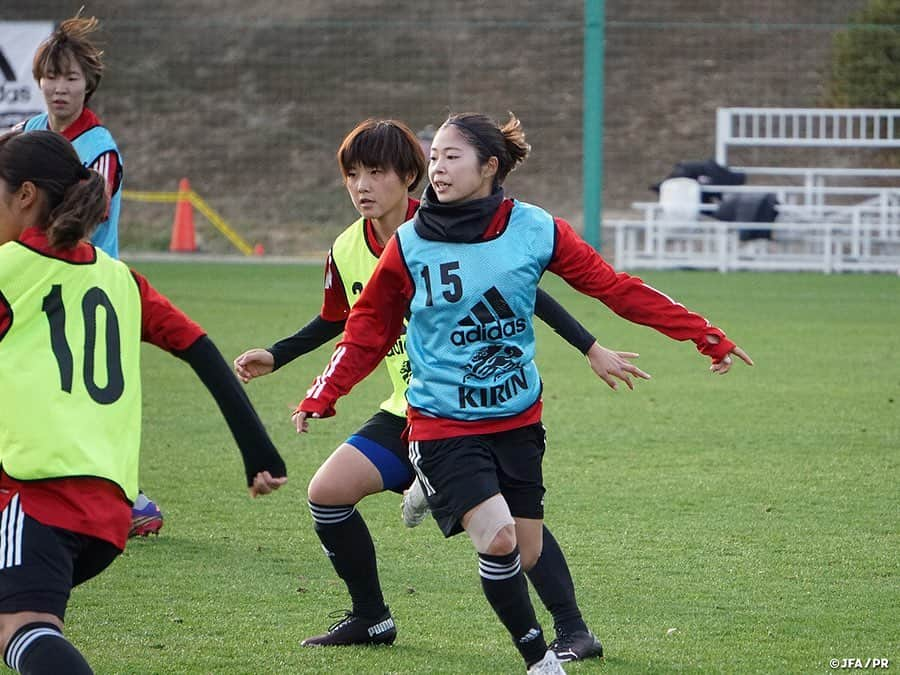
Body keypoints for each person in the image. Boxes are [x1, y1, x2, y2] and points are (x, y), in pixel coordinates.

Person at [293, 112, 753, 674]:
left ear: (490, 166)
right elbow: (366, 330)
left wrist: (703, 334)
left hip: (517, 420)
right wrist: (324, 392)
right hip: (441, 423)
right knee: (498, 536)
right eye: (433, 156)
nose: (437, 167)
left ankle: (434, 500)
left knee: (526, 550)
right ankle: (539, 661)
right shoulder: (410, 245)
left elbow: (616, 289)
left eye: (451, 156)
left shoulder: (536, 229)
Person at [235, 118, 645, 657]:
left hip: (468, 408)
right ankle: (371, 617)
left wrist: (589, 345)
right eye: (352, 174)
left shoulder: (445, 224)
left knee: (516, 532)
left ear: (409, 177)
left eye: (375, 173)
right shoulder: (344, 249)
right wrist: (279, 354)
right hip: (405, 408)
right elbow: (345, 319)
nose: (361, 185)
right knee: (327, 494)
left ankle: (573, 631)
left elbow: (522, 289)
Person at [0, 129, 288, 674]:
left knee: (22, 629)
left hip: (33, 495)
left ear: (25, 196)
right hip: (109, 513)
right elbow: (200, 349)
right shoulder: (121, 281)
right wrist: (259, 451)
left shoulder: (10, 272)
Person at [20, 15, 164, 537]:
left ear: (89, 84)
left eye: (71, 78)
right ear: (38, 80)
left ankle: (129, 497)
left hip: (89, 292)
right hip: (36, 287)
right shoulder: (31, 134)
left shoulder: (98, 147)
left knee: (83, 400)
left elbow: (85, 215)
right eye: (51, 76)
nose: (60, 87)